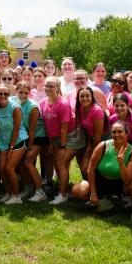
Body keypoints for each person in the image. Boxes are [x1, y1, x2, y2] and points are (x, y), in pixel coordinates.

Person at [71, 122, 132, 226]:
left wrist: (121, 163)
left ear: (127, 134)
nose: (116, 135)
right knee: (77, 190)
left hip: (120, 183)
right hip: (100, 181)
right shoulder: (103, 145)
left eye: (120, 131)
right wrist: (93, 193)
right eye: (114, 132)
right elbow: (91, 169)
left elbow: (127, 180)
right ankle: (103, 201)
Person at [40, 76, 86, 205]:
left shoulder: (63, 104)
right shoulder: (43, 102)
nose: (48, 88)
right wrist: (51, 142)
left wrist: (62, 147)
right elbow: (48, 124)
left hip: (72, 136)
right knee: (57, 163)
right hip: (56, 137)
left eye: (52, 86)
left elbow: (64, 128)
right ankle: (63, 189)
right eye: (46, 85)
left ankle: (63, 195)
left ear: (58, 88)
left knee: (60, 163)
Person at [0, 84, 29, 204]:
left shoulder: (15, 108)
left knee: (9, 168)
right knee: (1, 168)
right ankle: (8, 193)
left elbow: (17, 129)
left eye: (6, 94)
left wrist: (11, 147)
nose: (2, 96)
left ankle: (16, 196)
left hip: (18, 140)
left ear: (9, 94)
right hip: (4, 141)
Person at [13, 81, 47, 202]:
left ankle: (40, 192)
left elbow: (32, 130)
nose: (23, 95)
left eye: (26, 93)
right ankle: (28, 187)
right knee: (20, 161)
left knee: (28, 161)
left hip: (38, 136)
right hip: (25, 135)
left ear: (29, 93)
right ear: (16, 91)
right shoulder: (14, 101)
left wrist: (28, 148)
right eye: (20, 92)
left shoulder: (32, 107)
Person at [76, 86, 106, 181]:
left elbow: (98, 135)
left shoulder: (97, 110)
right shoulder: (80, 108)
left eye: (87, 96)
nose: (85, 98)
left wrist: (92, 152)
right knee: (83, 165)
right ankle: (88, 185)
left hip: (101, 141)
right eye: (82, 96)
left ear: (92, 97)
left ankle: (97, 187)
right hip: (90, 139)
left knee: (90, 166)